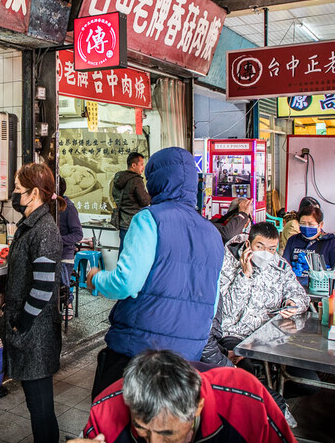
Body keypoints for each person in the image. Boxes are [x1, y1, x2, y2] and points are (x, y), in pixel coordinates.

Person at [88, 147, 225, 401]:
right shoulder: (212, 233)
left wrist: (96, 278)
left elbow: (126, 282)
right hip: (187, 356)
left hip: (138, 349)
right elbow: (213, 301)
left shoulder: (149, 219)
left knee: (113, 425)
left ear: (156, 181)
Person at [68, 350, 295, 443]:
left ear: (198, 407)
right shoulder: (107, 409)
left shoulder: (245, 398)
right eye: (143, 430)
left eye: (167, 434)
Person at [0, 163, 64, 443]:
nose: (14, 195)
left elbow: (43, 287)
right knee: (36, 406)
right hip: (29, 330)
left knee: (40, 408)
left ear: (34, 193)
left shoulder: (44, 230)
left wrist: (20, 325)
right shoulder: (31, 225)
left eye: (17, 190)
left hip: (35, 332)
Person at [202, 222, 309, 371]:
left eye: (271, 249)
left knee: (305, 377)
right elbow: (228, 312)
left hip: (271, 334)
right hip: (235, 335)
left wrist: (292, 303)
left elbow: (300, 295)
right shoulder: (226, 263)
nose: (266, 253)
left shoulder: (280, 266)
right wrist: (245, 275)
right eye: (260, 247)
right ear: (248, 243)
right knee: (245, 374)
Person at [282, 203, 335, 285]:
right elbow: (284, 265)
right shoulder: (293, 240)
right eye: (302, 223)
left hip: (322, 288)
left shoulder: (332, 243)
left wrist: (325, 274)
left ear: (320, 225)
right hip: (295, 287)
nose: (306, 226)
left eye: (310, 224)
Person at [110, 152, 151, 253]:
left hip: (123, 222)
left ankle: (120, 269)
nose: (143, 167)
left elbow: (115, 196)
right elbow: (145, 201)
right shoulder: (136, 180)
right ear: (134, 165)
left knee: (123, 251)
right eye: (141, 164)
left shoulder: (118, 178)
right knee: (133, 253)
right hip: (134, 223)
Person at [58, 175, 84, 318]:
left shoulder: (69, 207)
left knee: (63, 280)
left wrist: (58, 240)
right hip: (50, 253)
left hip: (65, 254)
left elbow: (78, 234)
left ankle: (68, 303)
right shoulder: (48, 205)